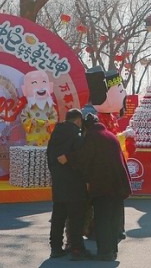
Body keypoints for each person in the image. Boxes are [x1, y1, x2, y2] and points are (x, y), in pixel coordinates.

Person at [75, 112, 132, 262]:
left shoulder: (91, 137)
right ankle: (113, 250)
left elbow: (84, 161)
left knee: (102, 219)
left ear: (86, 127)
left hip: (103, 185)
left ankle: (105, 253)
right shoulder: (111, 136)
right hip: (118, 184)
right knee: (114, 218)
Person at [47, 109, 90, 260]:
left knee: (58, 216)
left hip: (58, 181)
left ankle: (55, 248)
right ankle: (77, 248)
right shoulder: (76, 135)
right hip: (74, 183)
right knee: (76, 217)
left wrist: (56, 174)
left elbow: (49, 156)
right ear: (78, 120)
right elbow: (81, 159)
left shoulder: (55, 134)